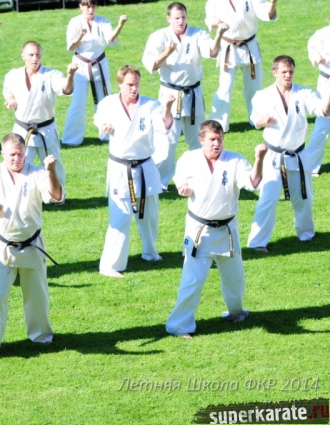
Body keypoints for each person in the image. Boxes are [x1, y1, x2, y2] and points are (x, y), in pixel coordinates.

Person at [0, 133, 64, 363]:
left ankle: (41, 335)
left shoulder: (37, 173)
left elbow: (56, 195)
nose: (16, 159)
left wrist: (51, 170)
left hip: (32, 244)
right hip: (3, 247)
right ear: (2, 153)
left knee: (38, 295)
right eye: (11, 154)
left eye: (20, 154)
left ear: (25, 152)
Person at [166, 120, 266, 338]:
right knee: (193, 280)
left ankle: (236, 312)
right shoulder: (189, 159)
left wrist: (259, 159)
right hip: (199, 231)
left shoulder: (235, 160)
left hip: (227, 230)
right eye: (212, 139)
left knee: (235, 278)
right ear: (201, 139)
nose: (217, 143)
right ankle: (178, 325)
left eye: (220, 139)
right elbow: (180, 181)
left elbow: (252, 183)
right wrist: (183, 188)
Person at [94, 65, 174, 278]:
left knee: (149, 216)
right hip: (120, 168)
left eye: (137, 84)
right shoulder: (108, 104)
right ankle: (110, 265)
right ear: (120, 83)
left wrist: (167, 107)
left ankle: (150, 252)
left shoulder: (150, 105)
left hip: (145, 166)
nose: (134, 88)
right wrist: (104, 126)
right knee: (120, 218)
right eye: (129, 84)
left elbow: (163, 127)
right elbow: (99, 120)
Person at [247, 55, 330, 252]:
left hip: (298, 155)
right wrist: (263, 121)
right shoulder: (262, 95)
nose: (288, 75)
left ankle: (306, 234)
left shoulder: (303, 93)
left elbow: (323, 111)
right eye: (284, 72)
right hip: (273, 156)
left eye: (291, 71)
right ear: (274, 72)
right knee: (268, 198)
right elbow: (254, 120)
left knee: (304, 198)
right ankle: (257, 243)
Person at [142, 2, 227, 189]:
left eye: (183, 17)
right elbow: (151, 65)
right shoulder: (159, 37)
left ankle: (201, 178)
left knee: (198, 140)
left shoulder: (197, 34)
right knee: (167, 143)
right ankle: (159, 183)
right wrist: (167, 52)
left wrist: (219, 35)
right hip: (170, 95)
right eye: (176, 18)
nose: (180, 22)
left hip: (193, 94)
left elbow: (212, 52)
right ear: (168, 18)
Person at [3, 41, 78, 187]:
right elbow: (7, 91)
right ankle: (19, 194)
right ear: (23, 56)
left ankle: (58, 195)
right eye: (31, 55)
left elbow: (65, 89)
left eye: (38, 55)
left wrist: (70, 75)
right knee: (19, 166)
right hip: (22, 130)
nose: (35, 58)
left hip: (46, 129)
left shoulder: (51, 75)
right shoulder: (13, 75)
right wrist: (11, 100)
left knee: (54, 166)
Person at [61, 0, 127, 146]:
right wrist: (80, 36)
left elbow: (110, 39)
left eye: (93, 6)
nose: (90, 10)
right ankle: (71, 139)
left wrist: (120, 25)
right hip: (80, 66)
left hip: (100, 64)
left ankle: (108, 134)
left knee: (106, 101)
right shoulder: (74, 22)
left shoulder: (103, 21)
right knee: (78, 103)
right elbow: (71, 47)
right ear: (81, 6)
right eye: (87, 6)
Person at [205, 0, 278, 132]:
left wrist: (273, 3)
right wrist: (217, 22)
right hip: (228, 47)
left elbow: (266, 13)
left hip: (249, 47)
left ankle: (258, 119)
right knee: (225, 87)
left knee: (254, 87)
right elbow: (209, 19)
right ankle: (218, 123)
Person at [306, 14, 330, 176]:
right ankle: (310, 165)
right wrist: (317, 58)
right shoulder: (321, 35)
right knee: (323, 124)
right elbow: (312, 51)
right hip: (327, 82)